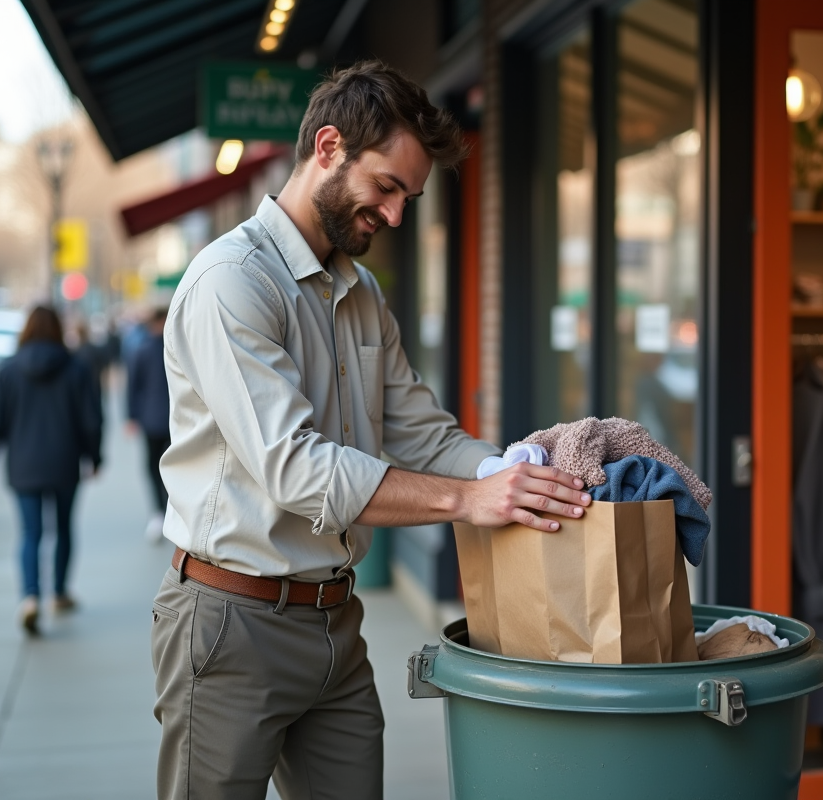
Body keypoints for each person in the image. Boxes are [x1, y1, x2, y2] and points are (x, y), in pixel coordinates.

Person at [151, 60, 591, 800]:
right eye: (386, 187)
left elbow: (419, 430)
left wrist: (512, 477)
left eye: (408, 199)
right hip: (231, 623)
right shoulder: (230, 283)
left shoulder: (360, 291)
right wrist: (462, 503)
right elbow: (296, 469)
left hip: (335, 625)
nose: (394, 216)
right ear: (328, 148)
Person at [0, 306, 103, 634]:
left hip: (23, 464)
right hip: (64, 461)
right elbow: (91, 420)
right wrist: (95, 457)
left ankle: (30, 597)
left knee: (31, 533)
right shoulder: (76, 369)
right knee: (63, 528)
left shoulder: (8, 371)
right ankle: (58, 592)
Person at [126, 307, 170, 542]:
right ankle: (168, 510)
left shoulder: (141, 350)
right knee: (172, 466)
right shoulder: (179, 346)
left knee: (152, 467)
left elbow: (133, 386)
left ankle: (158, 512)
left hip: (151, 419)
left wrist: (132, 416)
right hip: (176, 420)